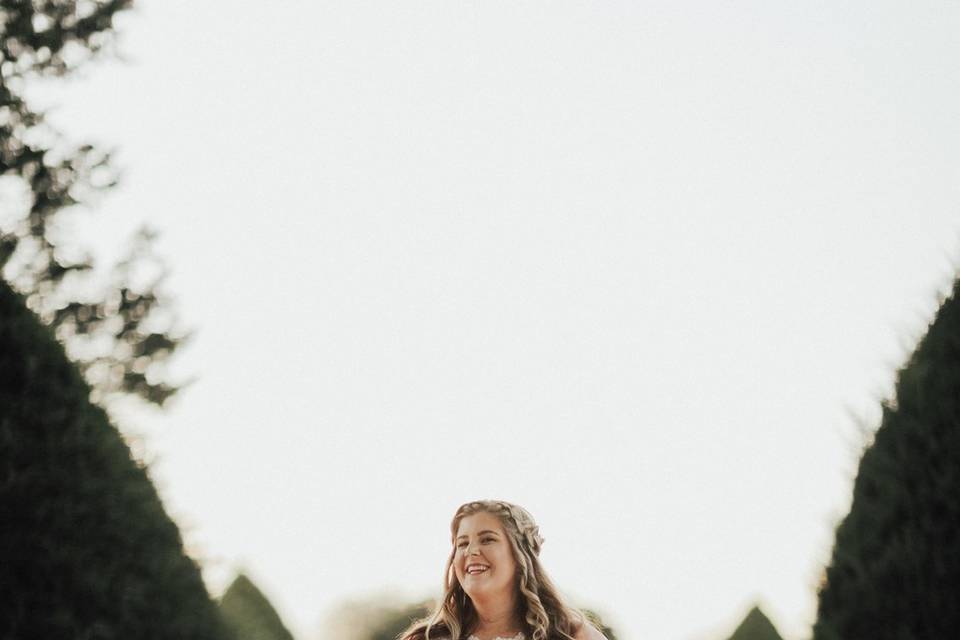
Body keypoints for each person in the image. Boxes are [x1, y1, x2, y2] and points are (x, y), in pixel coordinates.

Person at [400, 500, 609, 640]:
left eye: (487, 539)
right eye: (462, 543)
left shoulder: (572, 634)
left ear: (520, 555)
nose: (471, 551)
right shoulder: (426, 638)